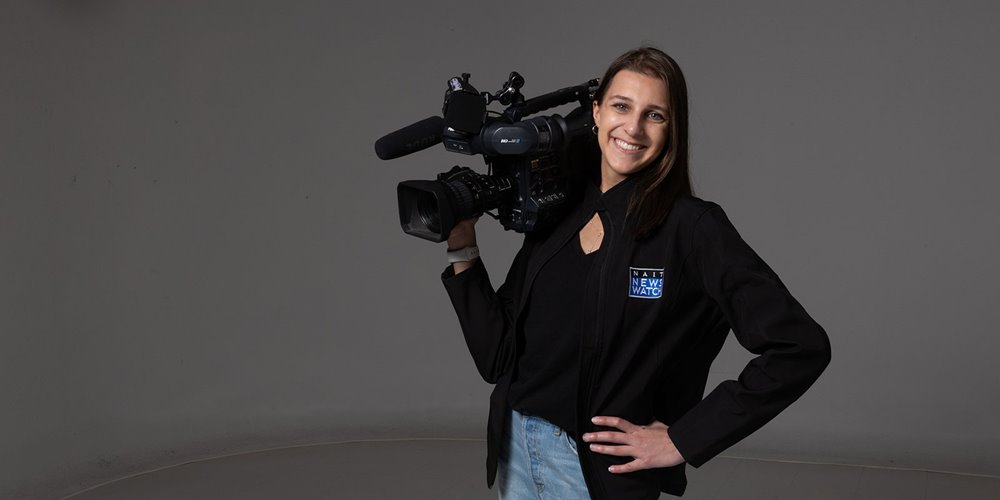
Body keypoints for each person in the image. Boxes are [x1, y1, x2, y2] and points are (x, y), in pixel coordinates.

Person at [440, 46, 831, 499]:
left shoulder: (693, 229)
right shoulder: (558, 209)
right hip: (516, 449)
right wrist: (462, 248)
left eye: (655, 115)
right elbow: (498, 358)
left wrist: (683, 438)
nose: (633, 127)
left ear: (672, 131)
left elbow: (800, 347)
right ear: (597, 112)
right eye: (622, 106)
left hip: (594, 474)